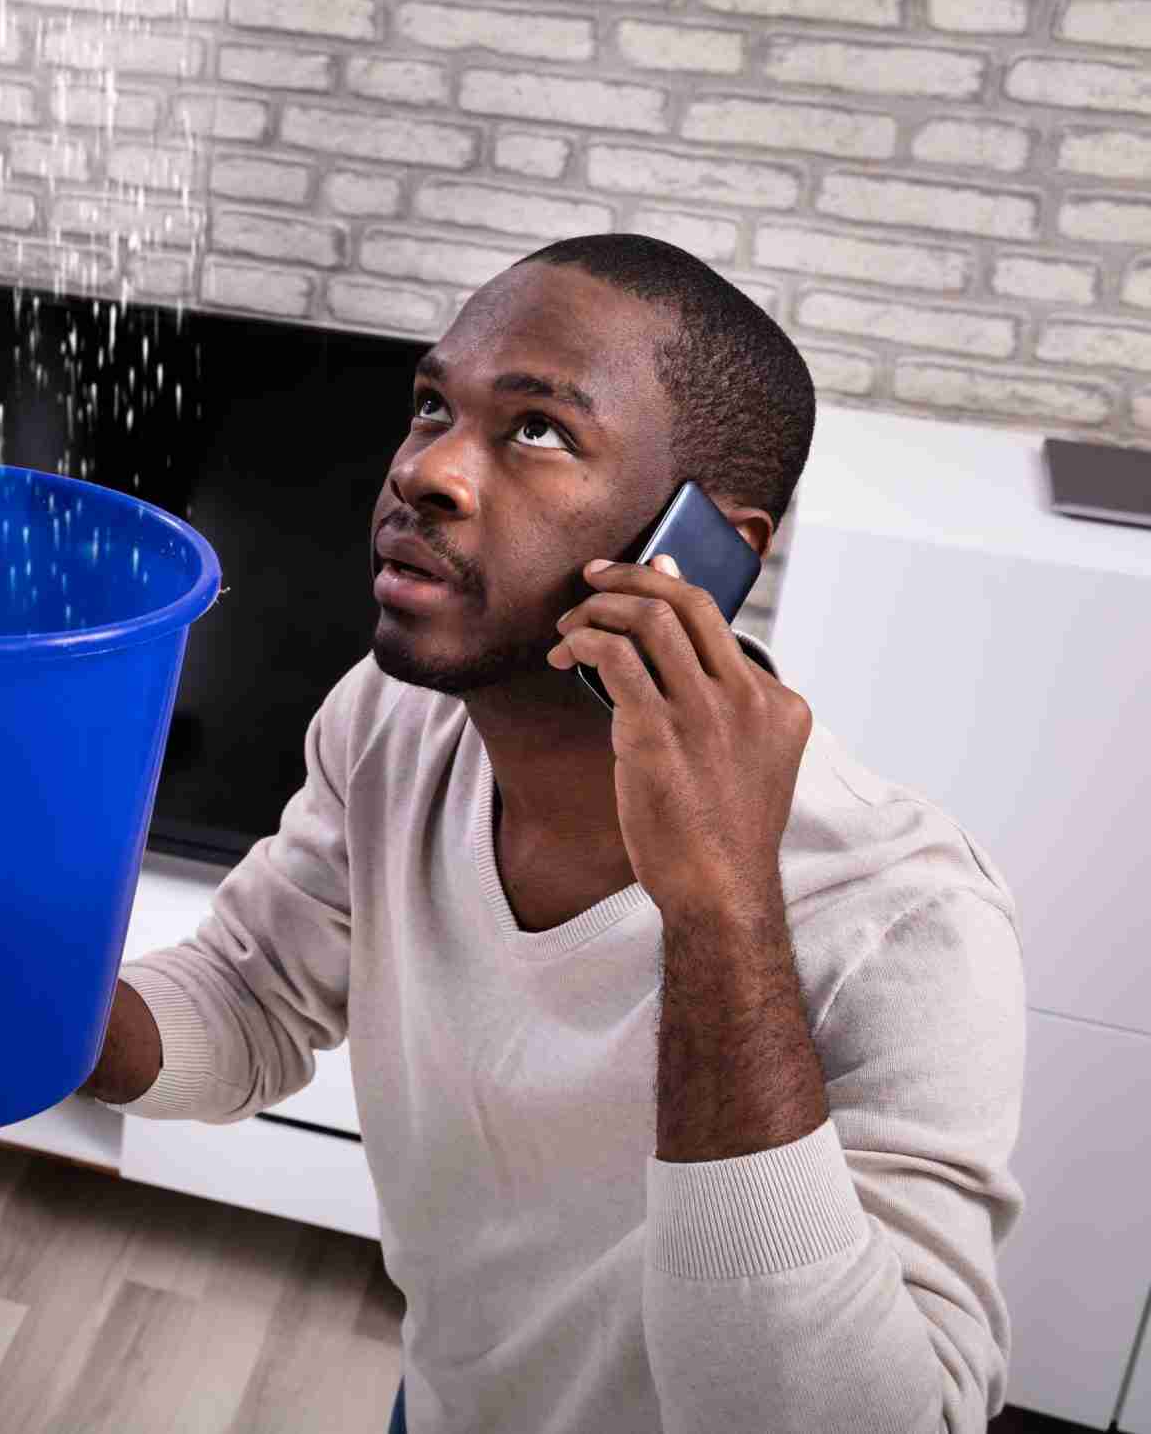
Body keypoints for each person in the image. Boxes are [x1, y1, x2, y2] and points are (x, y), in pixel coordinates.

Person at [82, 235, 1023, 1434]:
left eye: (536, 429)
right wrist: (17, 1005)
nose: (425, 470)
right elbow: (252, 996)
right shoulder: (392, 722)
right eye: (433, 406)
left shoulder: (909, 924)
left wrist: (721, 910)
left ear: (705, 549)